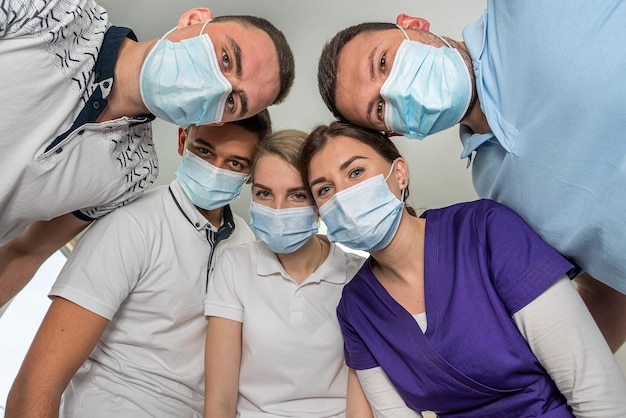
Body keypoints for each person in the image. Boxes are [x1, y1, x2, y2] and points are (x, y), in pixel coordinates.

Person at [316, 5, 626, 352]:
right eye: (378, 108)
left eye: (383, 62)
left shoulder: (526, 10)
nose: (394, 91)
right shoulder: (495, 193)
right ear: (394, 133)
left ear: (413, 25)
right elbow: (607, 292)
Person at [299, 121, 626, 418]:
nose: (343, 195)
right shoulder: (357, 308)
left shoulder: (486, 230)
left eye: (355, 172)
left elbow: (594, 389)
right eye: (324, 189)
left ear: (399, 173)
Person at [0, 0, 295, 308]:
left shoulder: (134, 172)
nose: (217, 88)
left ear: (218, 119)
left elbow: (26, 254)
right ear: (194, 19)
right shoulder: (55, 13)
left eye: (233, 101)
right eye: (224, 58)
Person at [5, 111, 271, 418]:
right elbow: (36, 385)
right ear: (183, 140)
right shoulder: (131, 224)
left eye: (235, 163)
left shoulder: (246, 243)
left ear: (251, 173)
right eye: (205, 151)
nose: (216, 170)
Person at [203, 129, 365, 417]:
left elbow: (365, 393)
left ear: (319, 200)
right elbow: (220, 401)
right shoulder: (234, 265)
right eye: (264, 193)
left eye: (297, 195)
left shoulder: (359, 276)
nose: (277, 210)